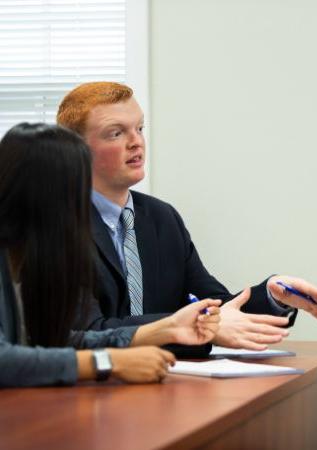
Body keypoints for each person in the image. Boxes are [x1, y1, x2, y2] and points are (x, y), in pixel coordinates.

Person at [56, 81, 317, 355]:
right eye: (116, 133)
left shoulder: (161, 218)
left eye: (140, 128)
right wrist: (189, 325)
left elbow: (217, 308)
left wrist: (271, 295)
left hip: (163, 382)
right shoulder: (55, 224)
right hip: (92, 390)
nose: (136, 142)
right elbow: (87, 333)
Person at [0, 122, 223, 387]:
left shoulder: (31, 257)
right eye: (77, 189)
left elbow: (61, 340)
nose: (84, 203)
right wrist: (108, 362)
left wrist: (168, 328)